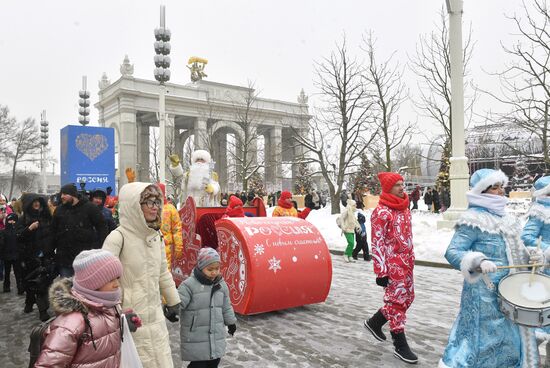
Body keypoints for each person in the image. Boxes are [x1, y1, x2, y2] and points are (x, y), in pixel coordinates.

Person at [440, 169, 540, 367]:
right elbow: (453, 251)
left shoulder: (507, 218)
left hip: (510, 292)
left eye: (501, 186)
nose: (501, 191)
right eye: (495, 188)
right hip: (483, 293)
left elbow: (516, 249)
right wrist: (477, 261)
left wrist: (532, 256)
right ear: (482, 191)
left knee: (509, 338)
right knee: (483, 341)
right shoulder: (472, 219)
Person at [103, 182, 181, 368]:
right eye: (148, 202)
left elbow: (163, 272)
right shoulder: (117, 237)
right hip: (131, 318)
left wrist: (173, 301)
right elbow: (104, 282)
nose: (155, 207)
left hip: (155, 315)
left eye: (157, 202)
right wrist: (119, 318)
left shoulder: (156, 236)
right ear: (134, 206)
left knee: (160, 358)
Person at [34, 249, 141, 367]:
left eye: (117, 278)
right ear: (93, 283)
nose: (117, 284)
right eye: (111, 280)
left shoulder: (108, 304)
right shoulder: (71, 323)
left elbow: (102, 329)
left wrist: (123, 322)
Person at [364, 172, 417, 364]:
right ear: (387, 188)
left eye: (403, 184)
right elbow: (376, 243)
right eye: (397, 185)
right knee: (396, 303)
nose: (402, 187)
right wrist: (381, 271)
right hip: (392, 265)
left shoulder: (404, 207)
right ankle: (400, 344)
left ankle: (375, 322)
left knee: (408, 298)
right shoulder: (381, 212)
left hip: (407, 263)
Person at [178, 247, 237, 368]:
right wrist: (172, 309)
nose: (214, 272)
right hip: (196, 335)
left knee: (214, 362)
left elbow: (226, 305)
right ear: (200, 267)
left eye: (217, 269)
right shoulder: (189, 285)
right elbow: (179, 302)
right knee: (198, 364)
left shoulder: (221, 285)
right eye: (210, 269)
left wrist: (231, 322)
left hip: (215, 334)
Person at [49, 183, 108, 277]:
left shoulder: (89, 208)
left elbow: (102, 226)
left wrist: (99, 247)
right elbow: (52, 230)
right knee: (67, 287)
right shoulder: (60, 210)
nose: (62, 196)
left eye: (65, 194)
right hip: (64, 257)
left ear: (73, 195)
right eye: (61, 194)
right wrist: (50, 251)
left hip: (85, 258)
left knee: (84, 288)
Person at [16, 193, 54, 321]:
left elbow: (52, 235)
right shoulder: (23, 219)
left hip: (45, 256)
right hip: (29, 257)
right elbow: (18, 237)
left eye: (38, 202)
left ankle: (43, 310)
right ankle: (29, 301)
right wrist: (29, 229)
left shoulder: (46, 217)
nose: (36, 204)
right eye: (34, 202)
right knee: (30, 282)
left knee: (43, 283)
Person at [158, 183, 184, 269]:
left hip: (166, 247)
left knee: (165, 270)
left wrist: (178, 247)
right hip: (150, 246)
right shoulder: (149, 208)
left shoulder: (170, 209)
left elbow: (177, 229)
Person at [0, 213, 22, 293]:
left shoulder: (18, 230)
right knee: (7, 272)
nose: (11, 222)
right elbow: (2, 243)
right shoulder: (3, 232)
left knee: (17, 272)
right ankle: (7, 286)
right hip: (7, 255)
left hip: (16, 254)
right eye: (10, 220)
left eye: (13, 220)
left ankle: (20, 287)